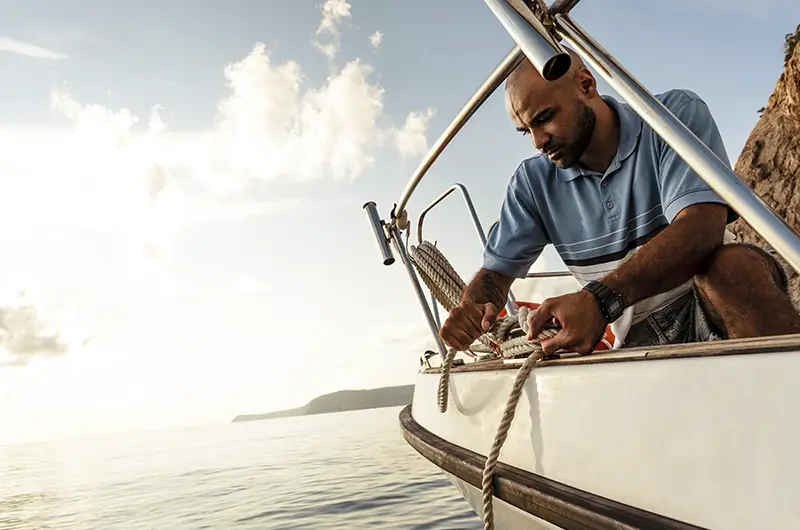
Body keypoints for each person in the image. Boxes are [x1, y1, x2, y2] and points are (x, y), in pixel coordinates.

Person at [439, 50, 800, 356]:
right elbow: (493, 276)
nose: (537, 141)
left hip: (711, 302)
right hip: (634, 337)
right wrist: (474, 307)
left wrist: (598, 300)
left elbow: (702, 227)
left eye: (544, 118)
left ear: (586, 86)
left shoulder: (672, 117)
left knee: (733, 266)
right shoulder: (532, 183)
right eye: (525, 130)